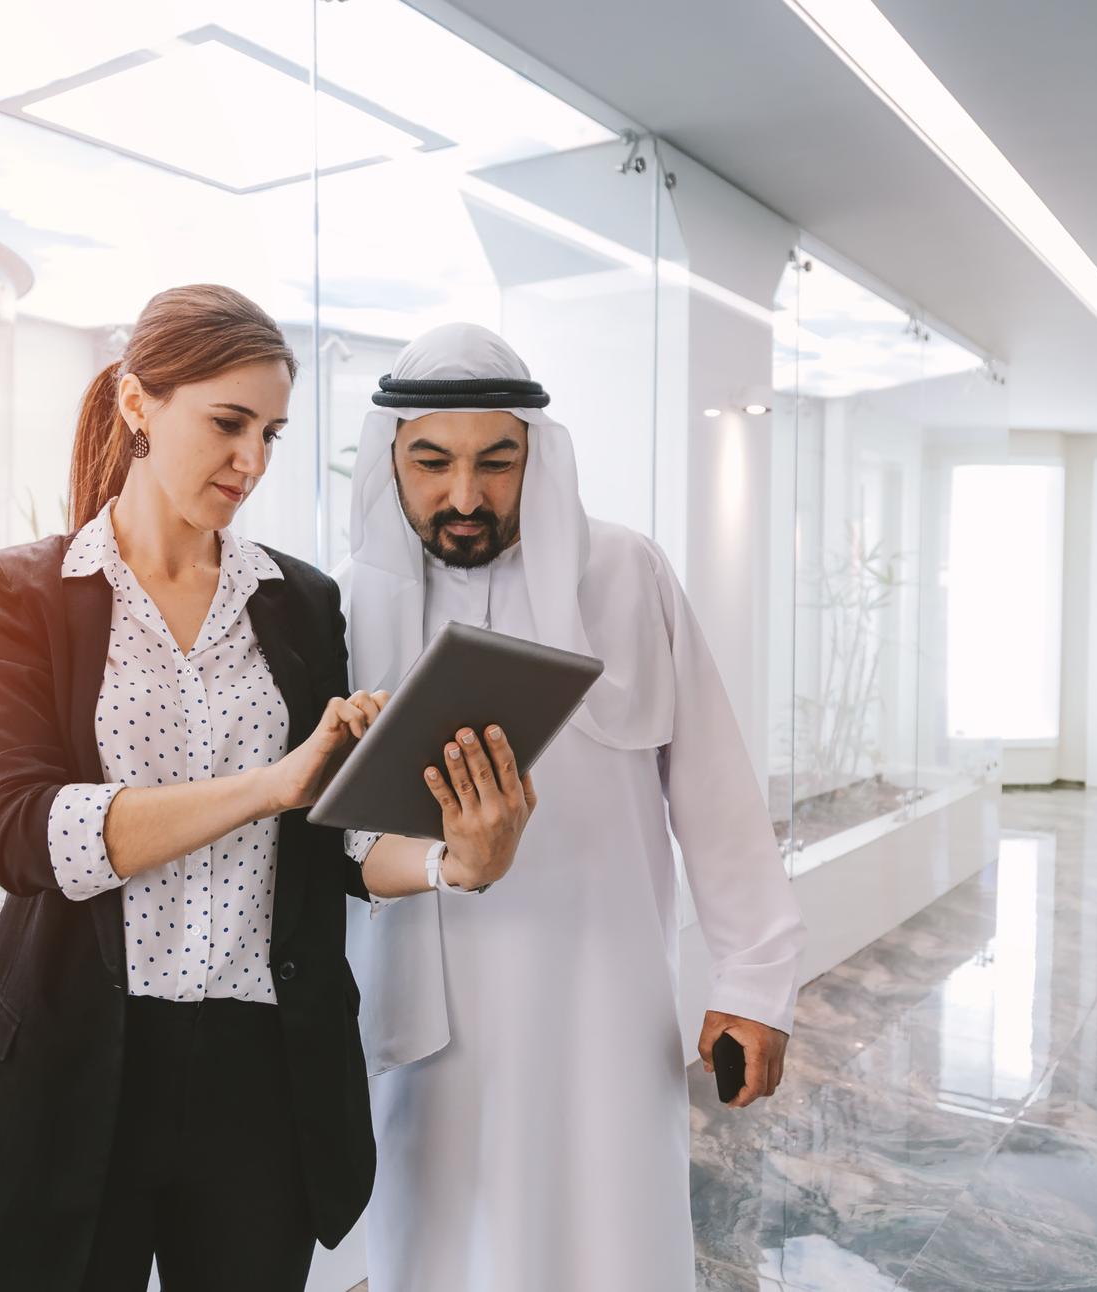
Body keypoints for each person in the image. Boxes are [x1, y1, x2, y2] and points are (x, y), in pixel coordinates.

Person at [0, 284, 391, 1291]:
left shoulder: (302, 601)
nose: (251, 460)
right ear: (137, 406)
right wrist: (267, 785)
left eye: (271, 433)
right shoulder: (22, 590)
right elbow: (14, 826)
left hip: (261, 1069)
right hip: (78, 1060)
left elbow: (330, 833)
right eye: (227, 423)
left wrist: (454, 857)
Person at [339, 322, 806, 1291]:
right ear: (389, 458)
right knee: (440, 1251)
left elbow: (713, 783)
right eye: (431, 461)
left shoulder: (625, 572)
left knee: (609, 1239)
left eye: (495, 462)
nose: (463, 495)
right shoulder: (347, 606)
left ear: (534, 456)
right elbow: (327, 839)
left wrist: (754, 980)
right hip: (432, 1022)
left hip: (603, 997)